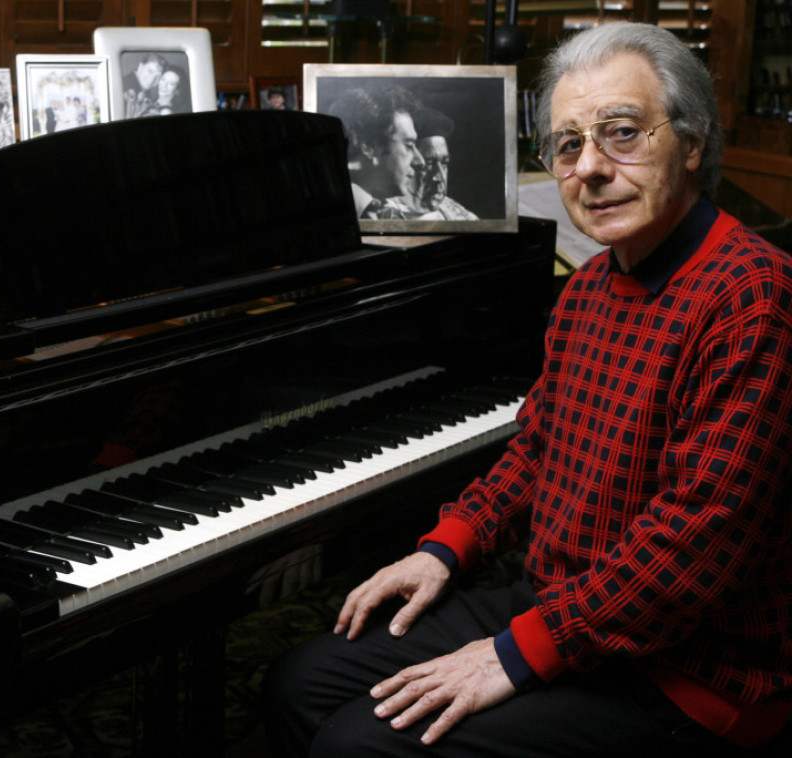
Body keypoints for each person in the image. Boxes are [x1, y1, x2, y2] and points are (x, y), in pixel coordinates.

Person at [263, 21, 792, 757]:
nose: (590, 167)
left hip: (689, 668)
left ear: (693, 142)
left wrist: (511, 656)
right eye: (568, 144)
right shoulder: (590, 286)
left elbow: (692, 549)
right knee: (300, 682)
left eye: (622, 133)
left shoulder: (754, 297)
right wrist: (445, 548)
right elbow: (539, 451)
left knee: (360, 743)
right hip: (567, 606)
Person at [326, 84, 425, 219]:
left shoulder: (389, 212)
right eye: (409, 145)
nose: (420, 161)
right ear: (369, 147)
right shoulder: (327, 212)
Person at [410, 108, 478, 221]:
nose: (439, 177)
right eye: (429, 163)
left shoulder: (461, 215)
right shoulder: (385, 214)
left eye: (444, 163)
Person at [122, 53, 166, 119]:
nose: (152, 79)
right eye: (150, 71)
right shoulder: (127, 89)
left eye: (157, 77)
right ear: (140, 67)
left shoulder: (144, 92)